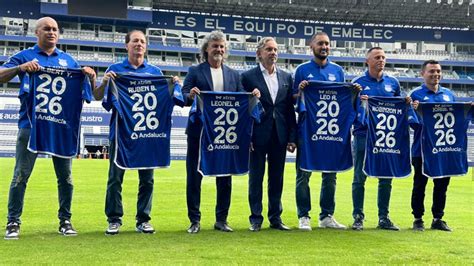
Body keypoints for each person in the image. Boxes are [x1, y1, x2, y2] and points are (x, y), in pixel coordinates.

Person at [0, 17, 96, 239]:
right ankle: (13, 222)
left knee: (66, 178)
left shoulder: (69, 61)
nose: (52, 32)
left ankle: (65, 220)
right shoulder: (24, 56)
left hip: (60, 126)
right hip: (31, 126)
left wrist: (90, 77)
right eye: (47, 29)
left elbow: (89, 94)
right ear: (37, 33)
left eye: (55, 29)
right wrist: (20, 68)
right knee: (20, 175)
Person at [94, 30, 179, 235]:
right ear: (127, 46)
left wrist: (174, 85)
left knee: (147, 179)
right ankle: (114, 219)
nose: (139, 44)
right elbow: (97, 97)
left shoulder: (156, 72)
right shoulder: (114, 70)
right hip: (121, 133)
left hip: (147, 134)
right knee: (115, 177)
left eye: (142, 41)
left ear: (146, 46)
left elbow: (166, 100)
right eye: (135, 41)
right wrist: (104, 82)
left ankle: (143, 219)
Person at [182, 30, 259, 233]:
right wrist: (190, 94)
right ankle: (194, 220)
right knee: (194, 175)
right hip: (199, 134)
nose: (219, 49)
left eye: (222, 46)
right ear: (206, 49)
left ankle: (221, 219)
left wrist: (253, 96)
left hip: (225, 133)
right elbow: (183, 95)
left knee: (225, 175)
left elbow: (242, 98)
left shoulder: (234, 75)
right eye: (215, 46)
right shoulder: (195, 71)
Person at [292, 32, 347, 231]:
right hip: (307, 130)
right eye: (320, 43)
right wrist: (301, 91)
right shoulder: (301, 70)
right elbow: (292, 98)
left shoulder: (338, 71)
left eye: (327, 44)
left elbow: (343, 100)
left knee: (330, 175)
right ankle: (303, 216)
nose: (324, 47)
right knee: (303, 174)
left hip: (331, 130)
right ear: (311, 46)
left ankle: (326, 216)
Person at [241, 37, 296, 232]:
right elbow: (242, 109)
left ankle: (275, 217)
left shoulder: (286, 77)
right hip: (257, 135)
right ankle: (256, 218)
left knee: (277, 178)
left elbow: (288, 109)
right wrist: (246, 137)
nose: (273, 52)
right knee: (256, 178)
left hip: (279, 135)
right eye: (269, 49)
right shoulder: (247, 77)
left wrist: (292, 137)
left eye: (275, 49)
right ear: (259, 53)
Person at [351, 47, 407, 231]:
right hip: (363, 136)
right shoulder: (357, 83)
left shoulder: (393, 83)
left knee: (386, 178)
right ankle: (358, 216)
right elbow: (349, 109)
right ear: (367, 61)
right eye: (377, 57)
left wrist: (406, 103)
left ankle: (384, 217)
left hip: (386, 137)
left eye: (383, 57)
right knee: (359, 177)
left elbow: (400, 108)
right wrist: (359, 102)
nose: (381, 60)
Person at [409, 60, 456, 232]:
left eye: (438, 71)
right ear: (423, 74)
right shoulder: (416, 95)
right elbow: (413, 124)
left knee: (442, 185)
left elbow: (455, 119)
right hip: (421, 150)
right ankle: (418, 218)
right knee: (420, 184)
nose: (435, 74)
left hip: (443, 148)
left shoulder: (449, 95)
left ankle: (438, 218)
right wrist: (418, 111)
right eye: (431, 71)